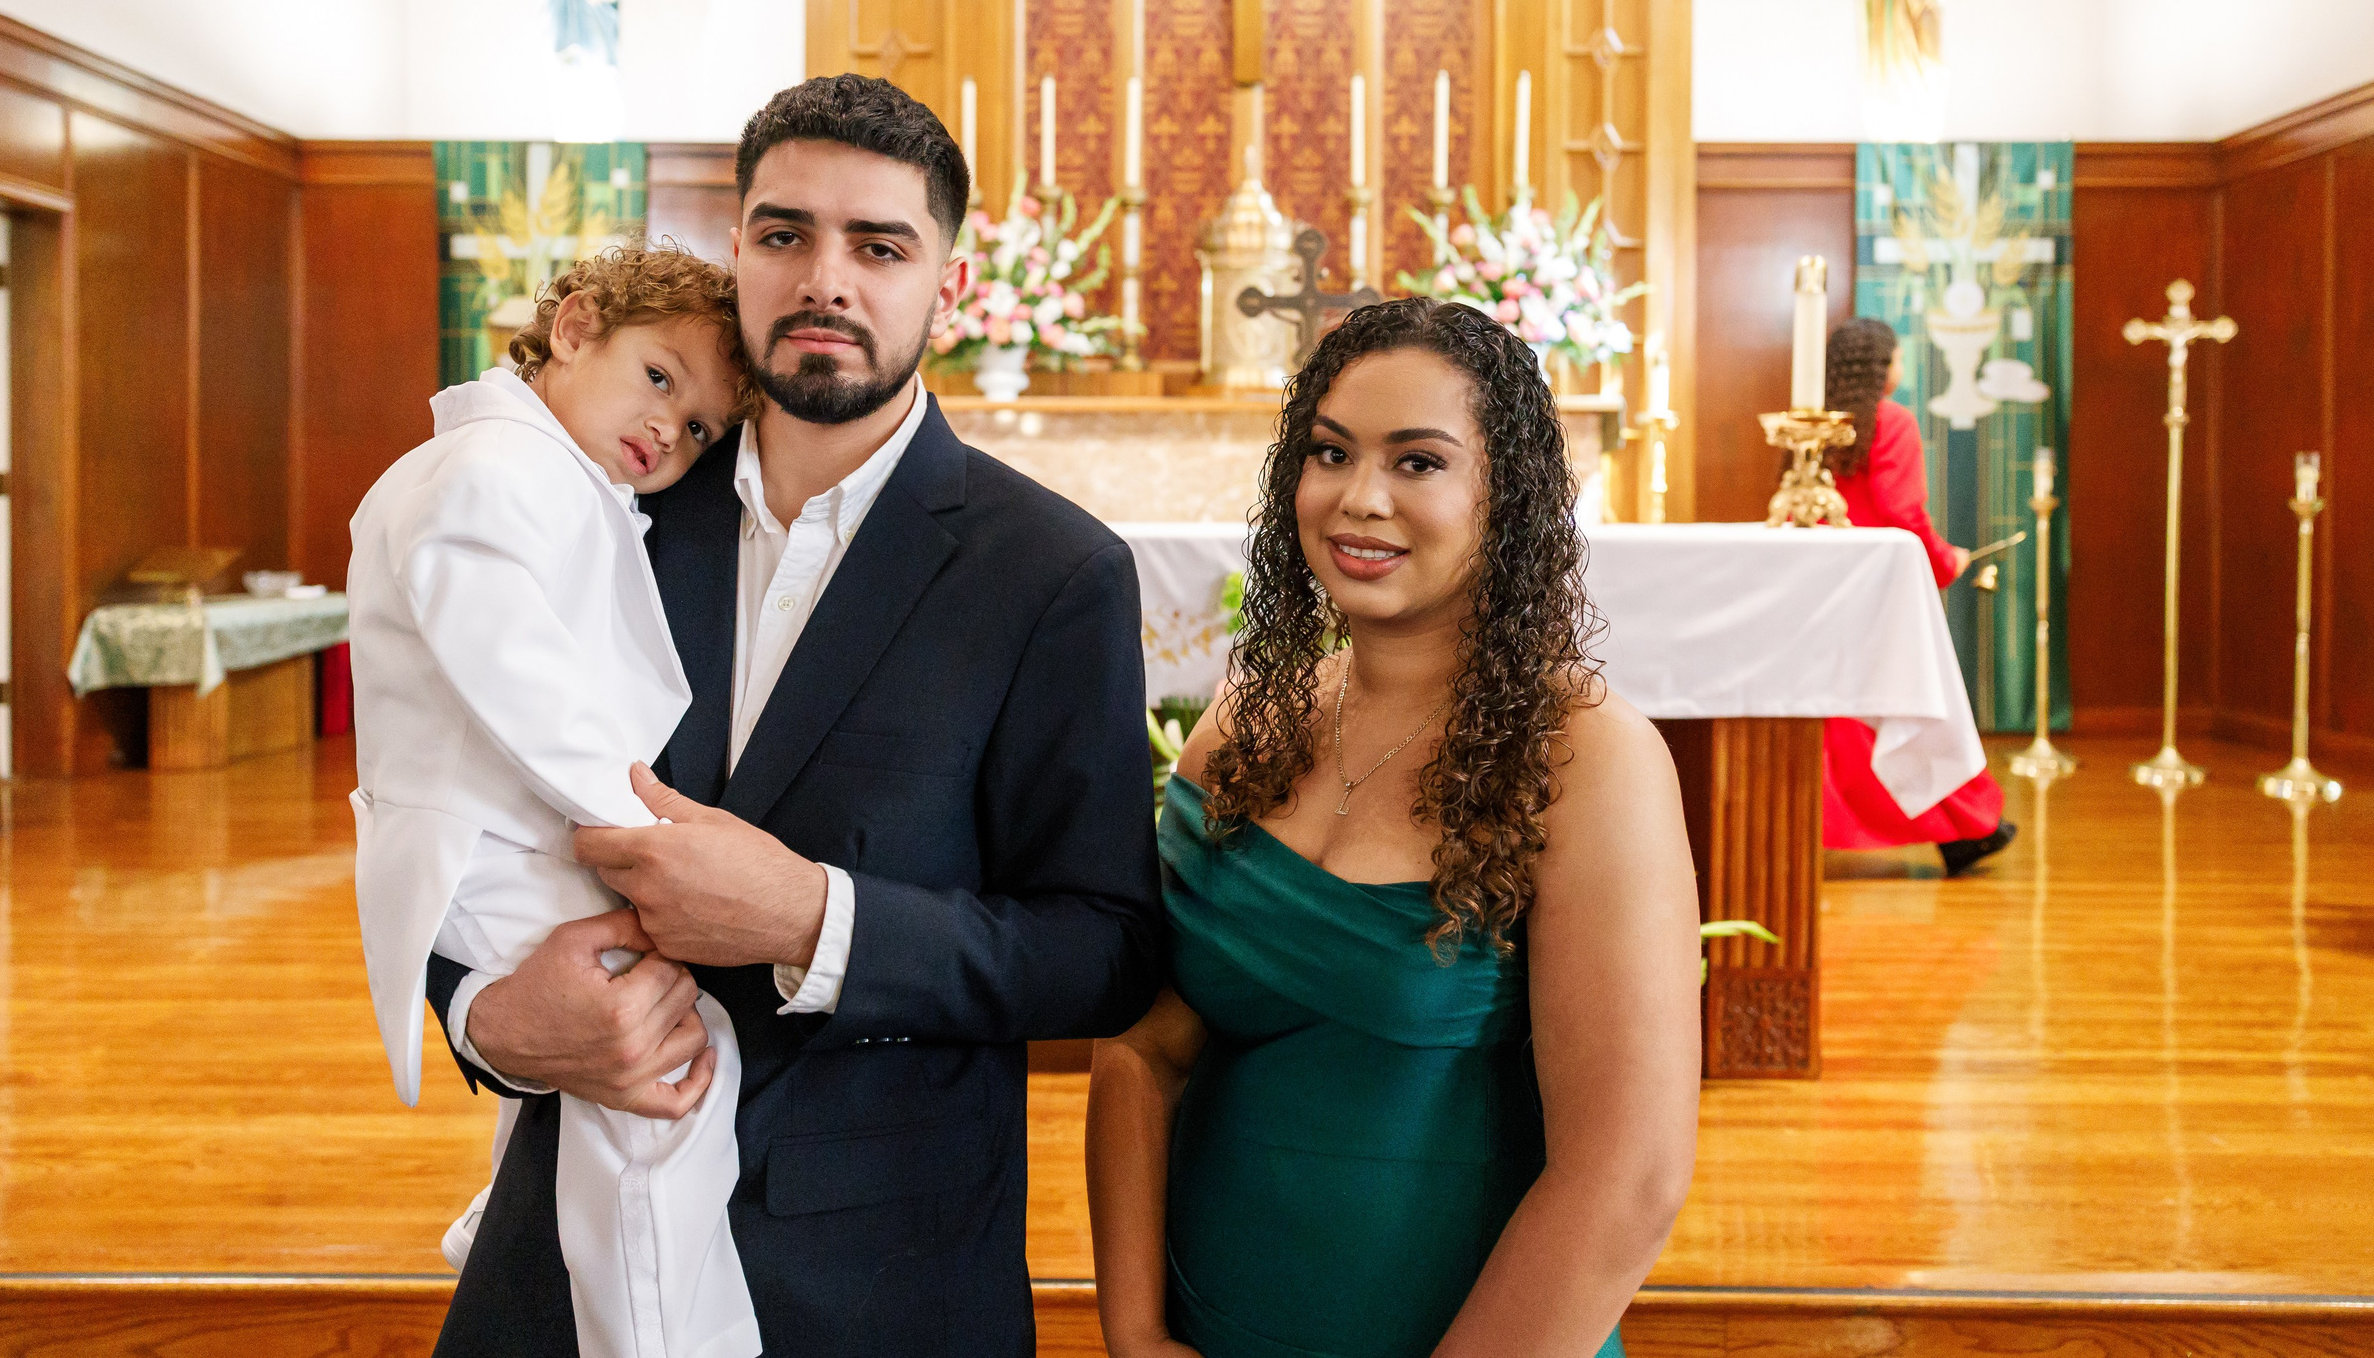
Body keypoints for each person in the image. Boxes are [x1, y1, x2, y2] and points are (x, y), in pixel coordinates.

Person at [420, 73, 1166, 1358]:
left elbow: (1101, 950)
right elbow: (444, 813)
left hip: (879, 1270)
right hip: (572, 1253)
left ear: (946, 277)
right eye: (785, 234)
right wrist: (489, 1017)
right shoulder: (605, 503)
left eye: (878, 245)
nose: (827, 278)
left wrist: (814, 920)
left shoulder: (1050, 574)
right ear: (738, 253)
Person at [1086, 299, 1700, 1358]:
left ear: (1504, 496)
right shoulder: (1244, 725)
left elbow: (1627, 1176)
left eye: (1417, 463)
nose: (1357, 499)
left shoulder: (1586, 760)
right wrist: (1135, 1331)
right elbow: (1144, 1050)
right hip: (1212, 1319)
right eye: (1330, 453)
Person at [348, 247, 757, 1358]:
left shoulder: (554, 471)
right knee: (665, 1074)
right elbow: (512, 665)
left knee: (608, 1072)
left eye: (704, 430)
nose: (673, 434)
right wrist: (645, 821)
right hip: (496, 842)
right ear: (574, 327)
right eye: (661, 379)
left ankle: (512, 1218)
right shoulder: (490, 468)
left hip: (525, 838)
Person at [1821, 317, 2016, 874]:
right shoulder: (1893, 420)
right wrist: (1947, 558)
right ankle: (1964, 828)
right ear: (1883, 368)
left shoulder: (1817, 428)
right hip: (1883, 590)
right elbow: (1901, 512)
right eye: (1899, 358)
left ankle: (1962, 828)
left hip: (1829, 588)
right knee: (1917, 711)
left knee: (1849, 720)